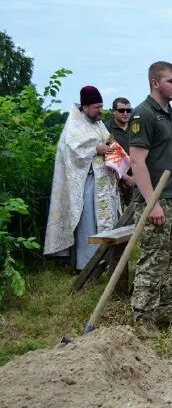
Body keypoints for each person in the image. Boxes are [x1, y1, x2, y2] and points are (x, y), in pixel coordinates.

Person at [129, 62, 172, 333]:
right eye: (171, 81)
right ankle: (142, 316)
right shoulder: (143, 115)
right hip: (158, 199)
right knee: (155, 258)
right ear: (155, 83)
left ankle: (165, 310)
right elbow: (137, 162)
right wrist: (152, 203)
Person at [44, 86, 122, 270]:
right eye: (96, 107)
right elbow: (73, 153)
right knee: (88, 223)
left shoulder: (97, 123)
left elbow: (108, 141)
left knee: (105, 221)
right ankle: (86, 265)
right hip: (87, 185)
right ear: (85, 107)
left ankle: (105, 261)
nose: (100, 110)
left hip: (104, 184)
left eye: (101, 106)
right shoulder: (74, 125)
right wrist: (96, 149)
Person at [105, 97, 137, 206]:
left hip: (136, 179)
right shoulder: (106, 129)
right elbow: (107, 157)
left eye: (128, 110)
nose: (125, 113)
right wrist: (124, 177)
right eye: (121, 110)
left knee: (137, 216)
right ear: (113, 111)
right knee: (117, 218)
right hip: (113, 180)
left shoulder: (136, 127)